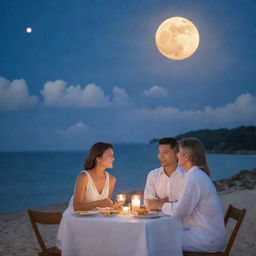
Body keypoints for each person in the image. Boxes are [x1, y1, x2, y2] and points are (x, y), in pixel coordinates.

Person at [147, 138, 225, 253]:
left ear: (187, 157)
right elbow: (182, 207)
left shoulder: (195, 177)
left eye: (178, 152)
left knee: (157, 240)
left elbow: (180, 211)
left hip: (206, 238)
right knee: (160, 236)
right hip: (201, 233)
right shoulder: (195, 175)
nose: (176, 154)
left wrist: (160, 205)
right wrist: (168, 204)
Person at [69, 142, 116, 211]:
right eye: (109, 155)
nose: (113, 159)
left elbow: (105, 206)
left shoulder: (112, 179)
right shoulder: (84, 177)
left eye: (113, 155)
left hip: (96, 217)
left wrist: (113, 206)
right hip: (76, 217)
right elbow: (76, 207)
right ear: (98, 158)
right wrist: (100, 203)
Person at [144, 137, 185, 208]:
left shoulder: (186, 175)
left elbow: (185, 206)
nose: (160, 156)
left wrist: (159, 202)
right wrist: (173, 203)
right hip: (158, 219)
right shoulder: (153, 175)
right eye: (159, 152)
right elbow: (148, 203)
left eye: (165, 152)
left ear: (177, 154)